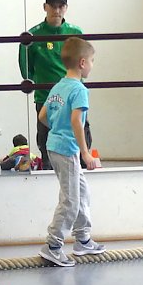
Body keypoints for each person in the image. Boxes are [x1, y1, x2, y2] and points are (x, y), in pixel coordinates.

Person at [37, 38, 106, 267]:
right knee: (71, 200)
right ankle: (53, 245)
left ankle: (83, 239)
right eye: (93, 61)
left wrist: (58, 130)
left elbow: (43, 116)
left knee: (81, 192)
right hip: (67, 150)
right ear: (83, 62)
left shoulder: (59, 86)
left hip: (55, 145)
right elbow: (77, 120)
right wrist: (86, 153)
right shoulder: (79, 90)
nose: (93, 65)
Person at [19, 0, 88, 170]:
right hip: (45, 95)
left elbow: (84, 63)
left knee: (81, 133)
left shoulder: (75, 33)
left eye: (61, 6)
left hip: (72, 95)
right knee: (46, 139)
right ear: (45, 7)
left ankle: (83, 163)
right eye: (53, 6)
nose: (57, 11)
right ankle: (48, 170)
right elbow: (26, 71)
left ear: (66, 8)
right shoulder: (32, 36)